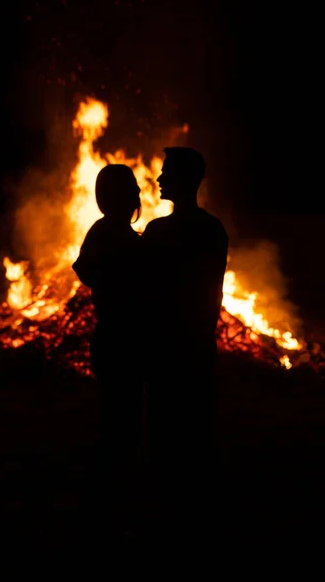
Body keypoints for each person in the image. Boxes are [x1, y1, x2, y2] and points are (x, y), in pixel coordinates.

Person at [143, 147, 228, 534]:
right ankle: (197, 506)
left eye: (165, 173)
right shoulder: (214, 229)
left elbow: (145, 285)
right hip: (197, 341)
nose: (159, 180)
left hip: (167, 342)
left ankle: (168, 508)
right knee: (196, 423)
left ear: (184, 179)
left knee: (165, 423)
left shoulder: (160, 232)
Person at [72, 164, 145, 526]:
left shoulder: (103, 233)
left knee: (119, 412)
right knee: (124, 415)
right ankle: (113, 495)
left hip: (113, 337)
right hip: (124, 339)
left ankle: (109, 489)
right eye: (131, 187)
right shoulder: (119, 239)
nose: (139, 191)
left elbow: (83, 269)